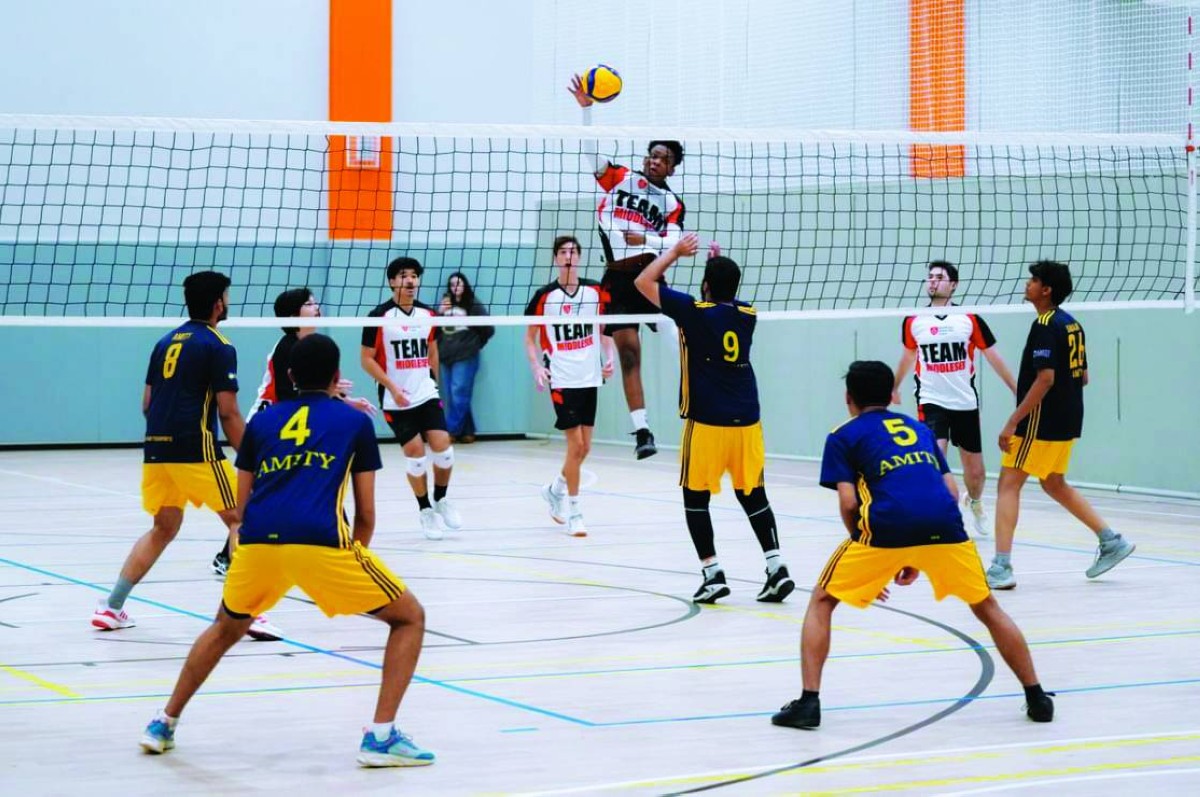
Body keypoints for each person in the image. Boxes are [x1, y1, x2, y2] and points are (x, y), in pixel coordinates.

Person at [139, 334, 434, 768]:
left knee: (224, 628)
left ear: (291, 375)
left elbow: (240, 509)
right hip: (322, 543)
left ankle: (162, 723)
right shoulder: (354, 422)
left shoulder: (262, 422)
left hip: (258, 543)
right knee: (409, 618)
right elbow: (366, 515)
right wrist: (350, 564)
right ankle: (381, 737)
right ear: (337, 376)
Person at [772, 361, 1054, 730]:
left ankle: (809, 703)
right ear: (892, 395)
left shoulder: (843, 435)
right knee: (987, 607)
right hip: (945, 526)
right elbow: (951, 491)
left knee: (822, 600)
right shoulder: (919, 428)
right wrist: (915, 554)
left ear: (848, 398)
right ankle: (1036, 696)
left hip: (885, 527)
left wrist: (870, 551)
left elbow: (848, 503)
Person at [90, 270, 279, 641]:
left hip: (156, 448)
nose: (227, 302)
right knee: (243, 519)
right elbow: (228, 412)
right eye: (226, 296)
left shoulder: (164, 342)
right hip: (195, 447)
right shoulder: (218, 345)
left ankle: (111, 607)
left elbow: (147, 403)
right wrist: (253, 458)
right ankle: (247, 613)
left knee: (164, 527)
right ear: (217, 303)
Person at [635, 233, 794, 605]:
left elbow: (643, 281)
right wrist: (714, 269)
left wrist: (675, 252)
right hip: (747, 422)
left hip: (707, 422)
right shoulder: (747, 314)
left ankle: (712, 574)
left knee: (695, 498)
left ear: (706, 286)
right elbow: (724, 299)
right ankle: (776, 567)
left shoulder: (692, 311)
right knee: (753, 494)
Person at [986, 261, 1136, 589]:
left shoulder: (1044, 325)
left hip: (1040, 421)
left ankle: (1001, 567)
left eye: (1033, 280)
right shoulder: (1072, 324)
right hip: (1068, 418)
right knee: (1053, 483)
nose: (1027, 284)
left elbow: (1046, 379)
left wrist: (1013, 421)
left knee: (1008, 484)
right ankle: (1111, 541)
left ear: (1046, 290)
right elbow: (1083, 376)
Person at [209, 288, 373, 575]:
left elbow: (313, 394)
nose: (317, 307)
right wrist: (337, 400)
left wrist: (344, 401)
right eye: (309, 304)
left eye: (315, 302)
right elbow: (293, 395)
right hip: (270, 426)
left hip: (292, 425)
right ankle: (232, 556)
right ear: (293, 314)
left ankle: (229, 555)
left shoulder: (312, 346)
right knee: (280, 487)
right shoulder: (288, 348)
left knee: (303, 481)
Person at [570, 74, 686, 460]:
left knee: (680, 340)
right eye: (652, 155)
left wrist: (645, 240)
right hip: (618, 278)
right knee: (629, 355)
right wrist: (587, 112)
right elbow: (591, 156)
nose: (655, 161)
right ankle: (642, 431)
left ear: (672, 168)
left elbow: (673, 242)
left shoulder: (672, 203)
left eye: (663, 159)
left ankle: (701, 400)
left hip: (650, 277)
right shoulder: (621, 179)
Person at [893, 261, 1017, 537]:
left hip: (964, 403)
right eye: (930, 277)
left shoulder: (969, 319)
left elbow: (993, 356)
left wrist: (1015, 388)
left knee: (976, 474)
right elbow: (908, 356)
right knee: (935, 459)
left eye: (939, 277)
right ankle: (939, 518)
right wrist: (895, 386)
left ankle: (974, 501)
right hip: (931, 401)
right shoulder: (914, 320)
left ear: (953, 284)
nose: (933, 281)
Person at [361, 256, 461, 540]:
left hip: (425, 392)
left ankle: (441, 499)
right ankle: (425, 509)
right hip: (396, 398)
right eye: (404, 276)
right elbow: (366, 359)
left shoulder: (428, 315)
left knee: (444, 449)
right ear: (392, 281)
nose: (410, 281)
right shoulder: (378, 316)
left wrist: (434, 384)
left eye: (415, 276)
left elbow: (432, 350)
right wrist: (392, 387)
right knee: (416, 454)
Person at [525, 236, 616, 537]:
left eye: (573, 252)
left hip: (590, 376)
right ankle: (575, 511)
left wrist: (609, 357)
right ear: (555, 258)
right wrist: (537, 366)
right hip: (562, 378)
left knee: (585, 447)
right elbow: (529, 337)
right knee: (575, 446)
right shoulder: (544, 296)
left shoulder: (594, 291)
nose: (568, 256)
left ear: (579, 257)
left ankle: (555, 489)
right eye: (563, 252)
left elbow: (603, 330)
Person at [438, 272, 494, 444]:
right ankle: (468, 431)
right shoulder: (445, 304)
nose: (455, 287)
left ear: (465, 285)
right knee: (453, 395)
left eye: (459, 283)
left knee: (459, 392)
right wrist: (440, 313)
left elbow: (488, 329)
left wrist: (474, 345)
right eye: (452, 284)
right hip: (446, 355)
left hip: (465, 355)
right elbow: (435, 330)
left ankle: (451, 430)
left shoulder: (473, 304)